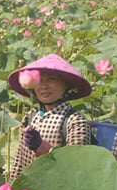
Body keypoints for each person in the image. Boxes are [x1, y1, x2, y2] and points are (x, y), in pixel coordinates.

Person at [7, 53, 92, 181]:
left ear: (67, 85)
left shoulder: (75, 120)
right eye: (39, 80)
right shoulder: (30, 117)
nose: (44, 86)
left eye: (51, 79)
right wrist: (11, 187)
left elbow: (75, 166)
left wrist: (41, 146)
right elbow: (20, 160)